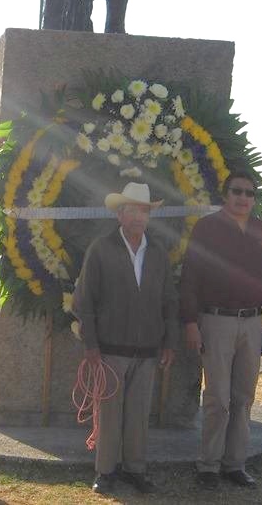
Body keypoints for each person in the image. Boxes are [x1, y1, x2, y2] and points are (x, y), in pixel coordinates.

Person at [72, 182, 178, 495]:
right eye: (131, 210)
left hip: (147, 351)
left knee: (139, 414)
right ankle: (105, 471)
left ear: (149, 216)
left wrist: (169, 343)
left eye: (143, 211)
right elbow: (84, 301)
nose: (138, 217)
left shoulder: (158, 252)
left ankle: (135, 469)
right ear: (120, 214)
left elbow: (170, 301)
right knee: (108, 414)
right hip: (110, 350)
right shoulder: (101, 249)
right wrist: (91, 345)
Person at [180, 171, 262, 490]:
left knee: (243, 398)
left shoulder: (261, 229)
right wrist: (191, 322)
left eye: (249, 193)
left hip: (252, 322)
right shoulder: (207, 228)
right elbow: (191, 277)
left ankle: (235, 464)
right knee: (218, 398)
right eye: (237, 191)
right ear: (225, 195)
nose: (243, 198)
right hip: (216, 321)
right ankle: (209, 465)